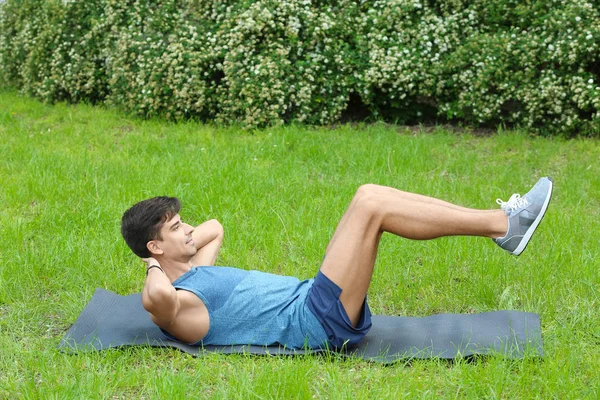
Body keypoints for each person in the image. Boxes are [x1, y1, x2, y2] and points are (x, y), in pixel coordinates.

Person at [120, 177, 553, 350]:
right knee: (370, 205)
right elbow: (155, 297)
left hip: (315, 301)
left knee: (370, 195)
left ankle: (502, 225)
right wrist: (152, 263)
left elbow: (213, 227)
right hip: (316, 321)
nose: (189, 230)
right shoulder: (177, 304)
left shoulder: (194, 270)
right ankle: (503, 224)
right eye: (177, 228)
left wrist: (175, 245)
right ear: (154, 250)